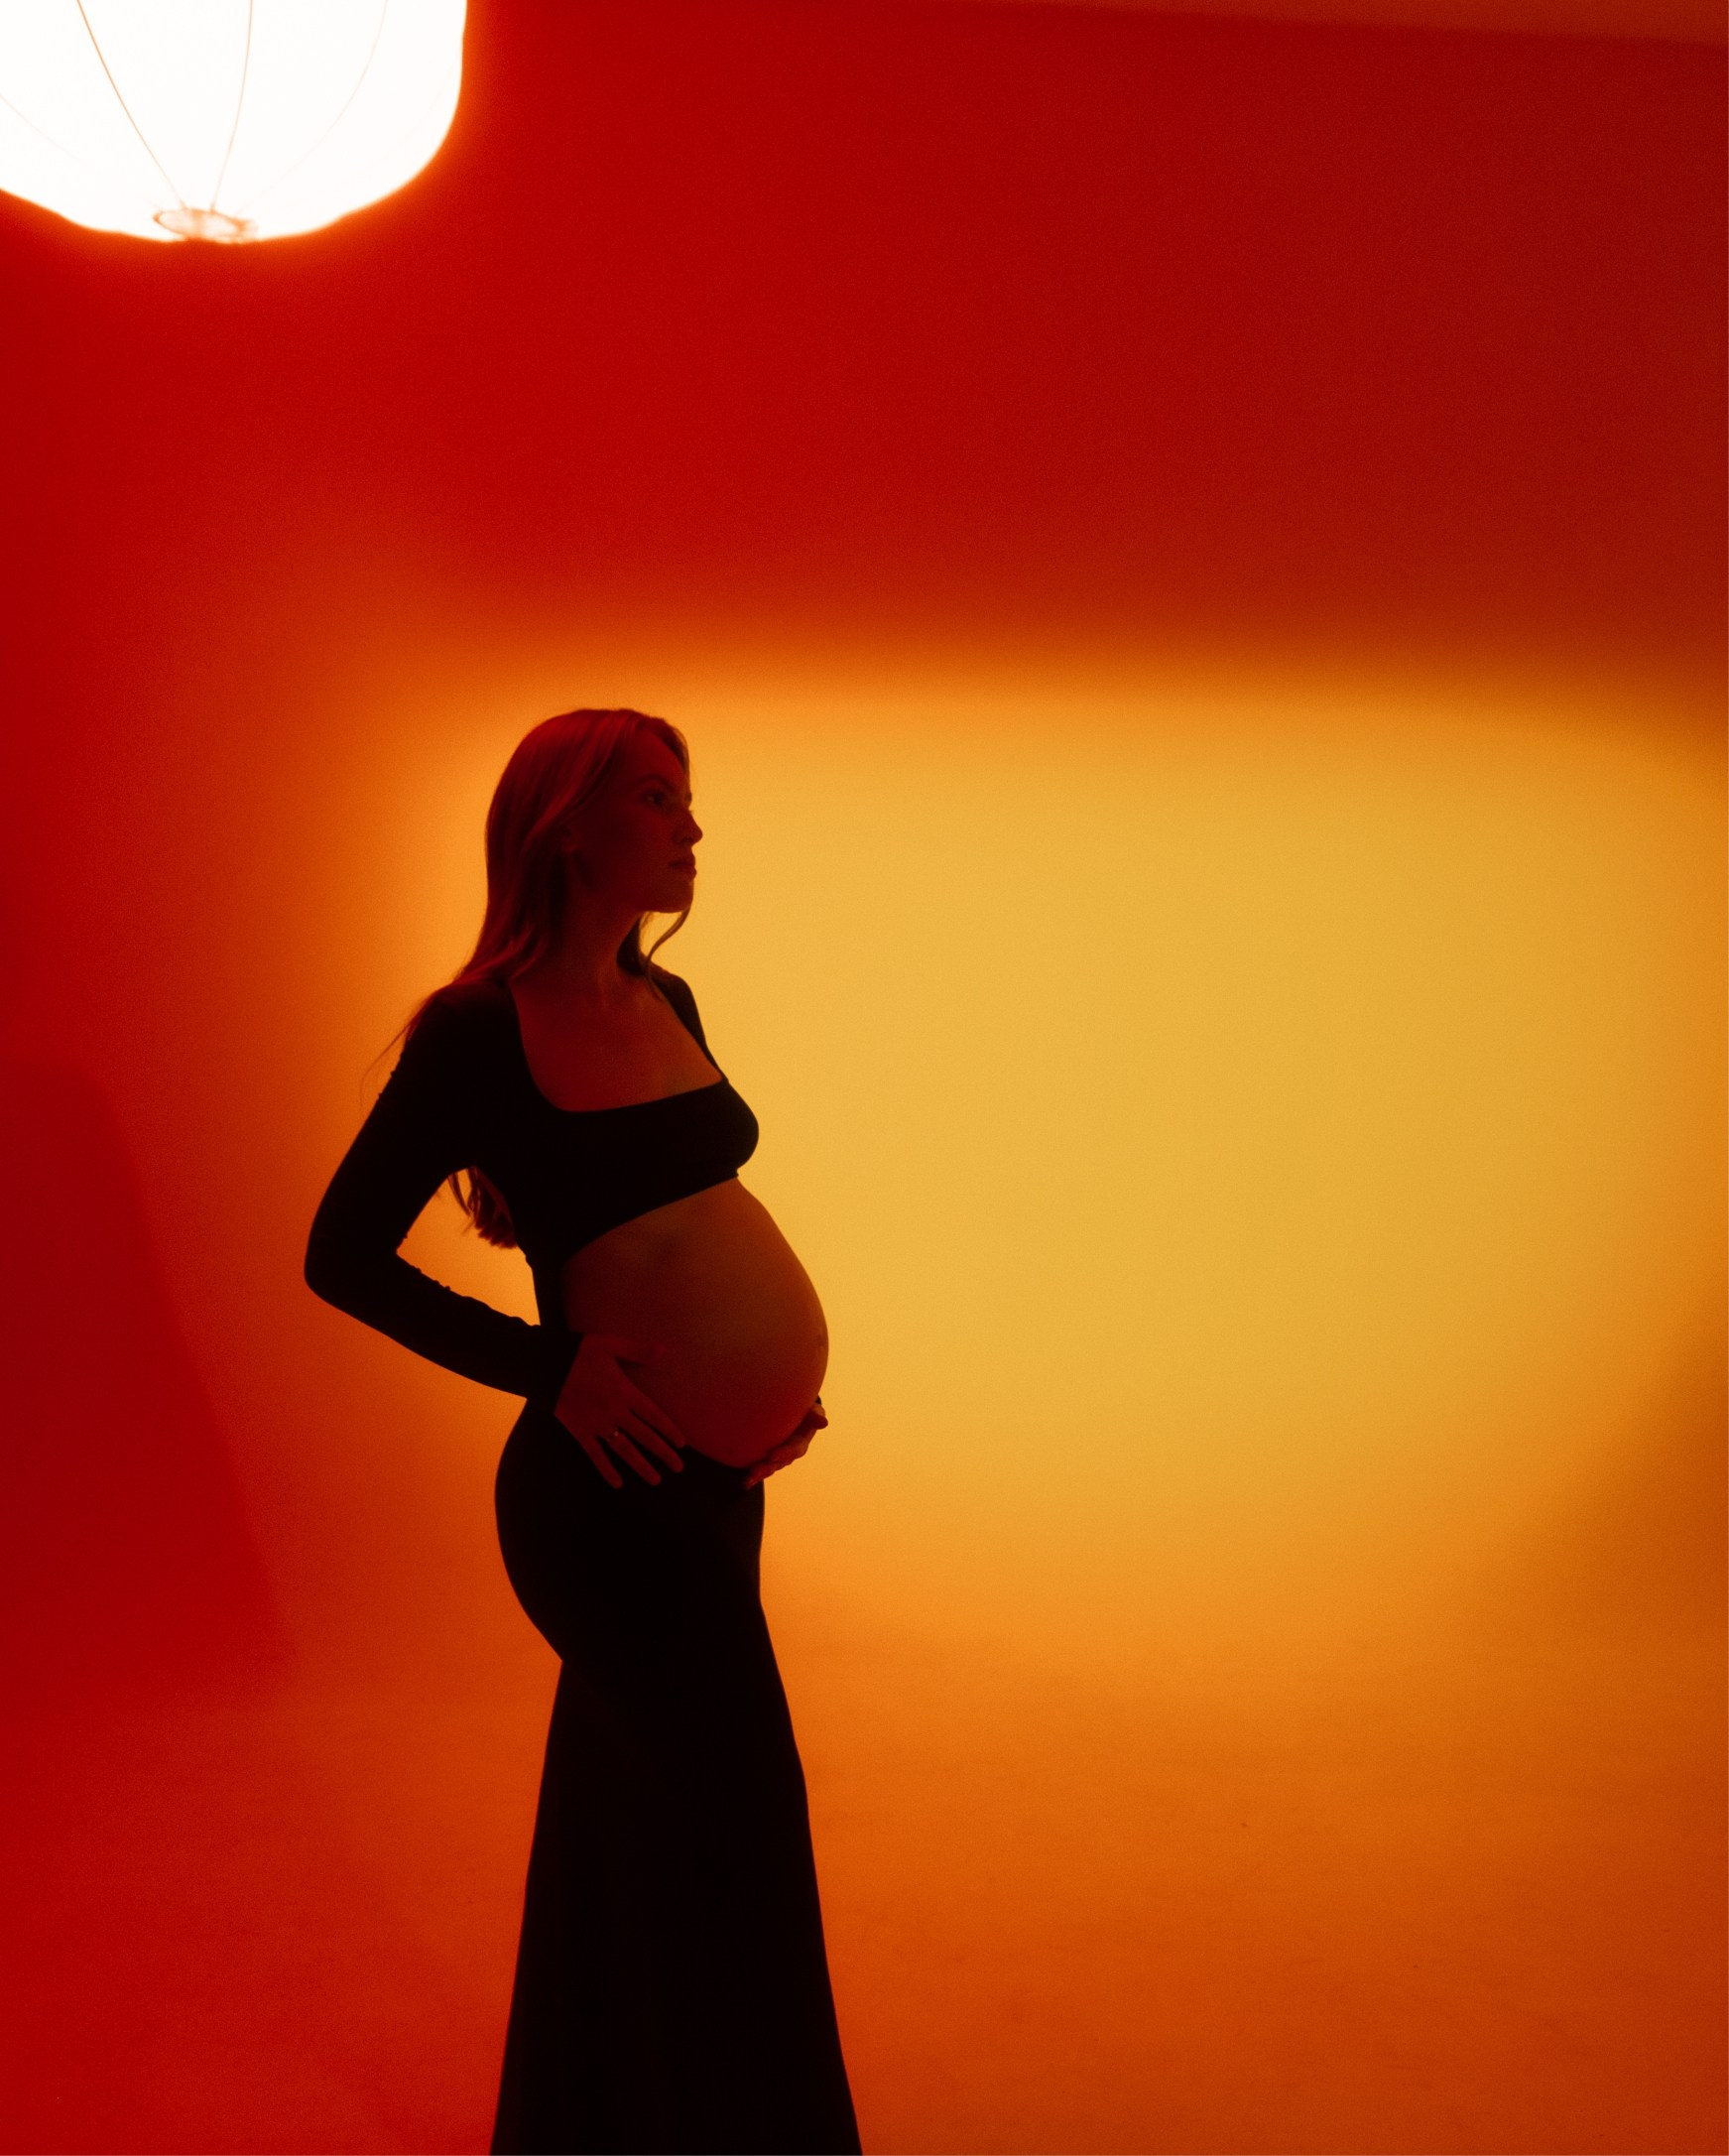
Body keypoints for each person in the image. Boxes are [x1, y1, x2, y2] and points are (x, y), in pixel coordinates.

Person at [304, 707, 861, 2155]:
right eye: (658, 798)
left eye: (687, 798)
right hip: (602, 1506)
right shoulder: (478, 1033)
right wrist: (549, 1366)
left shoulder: (667, 1000)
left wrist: (761, 1390)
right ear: (566, 827)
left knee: (639, 1836)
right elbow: (341, 1254)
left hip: (711, 1492)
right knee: (736, 1827)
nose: (691, 827)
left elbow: (687, 1220)